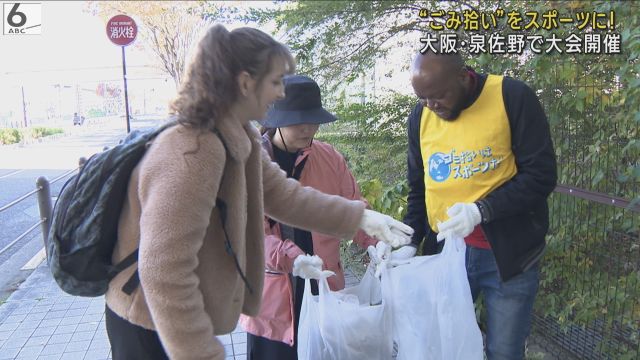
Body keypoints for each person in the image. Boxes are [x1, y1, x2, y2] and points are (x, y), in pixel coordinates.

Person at [103, 24, 413, 360]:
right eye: (276, 81)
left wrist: (361, 217)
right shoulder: (191, 150)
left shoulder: (240, 138)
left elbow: (286, 196)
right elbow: (164, 271)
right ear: (245, 82)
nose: (282, 94)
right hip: (150, 321)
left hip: (180, 313)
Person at [374, 49, 557, 360]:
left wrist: (480, 210)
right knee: (442, 345)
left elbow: (541, 175)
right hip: (446, 255)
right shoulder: (422, 116)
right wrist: (410, 240)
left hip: (507, 256)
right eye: (423, 98)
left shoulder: (510, 96)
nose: (432, 105)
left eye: (439, 95)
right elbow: (420, 188)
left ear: (463, 76)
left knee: (504, 350)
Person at [238, 75, 379, 359]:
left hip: (323, 288)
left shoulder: (329, 157)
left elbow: (352, 207)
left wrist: (377, 242)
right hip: (272, 302)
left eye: (313, 120)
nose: (308, 128)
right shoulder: (249, 164)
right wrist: (292, 258)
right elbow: (247, 236)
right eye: (298, 120)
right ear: (276, 118)